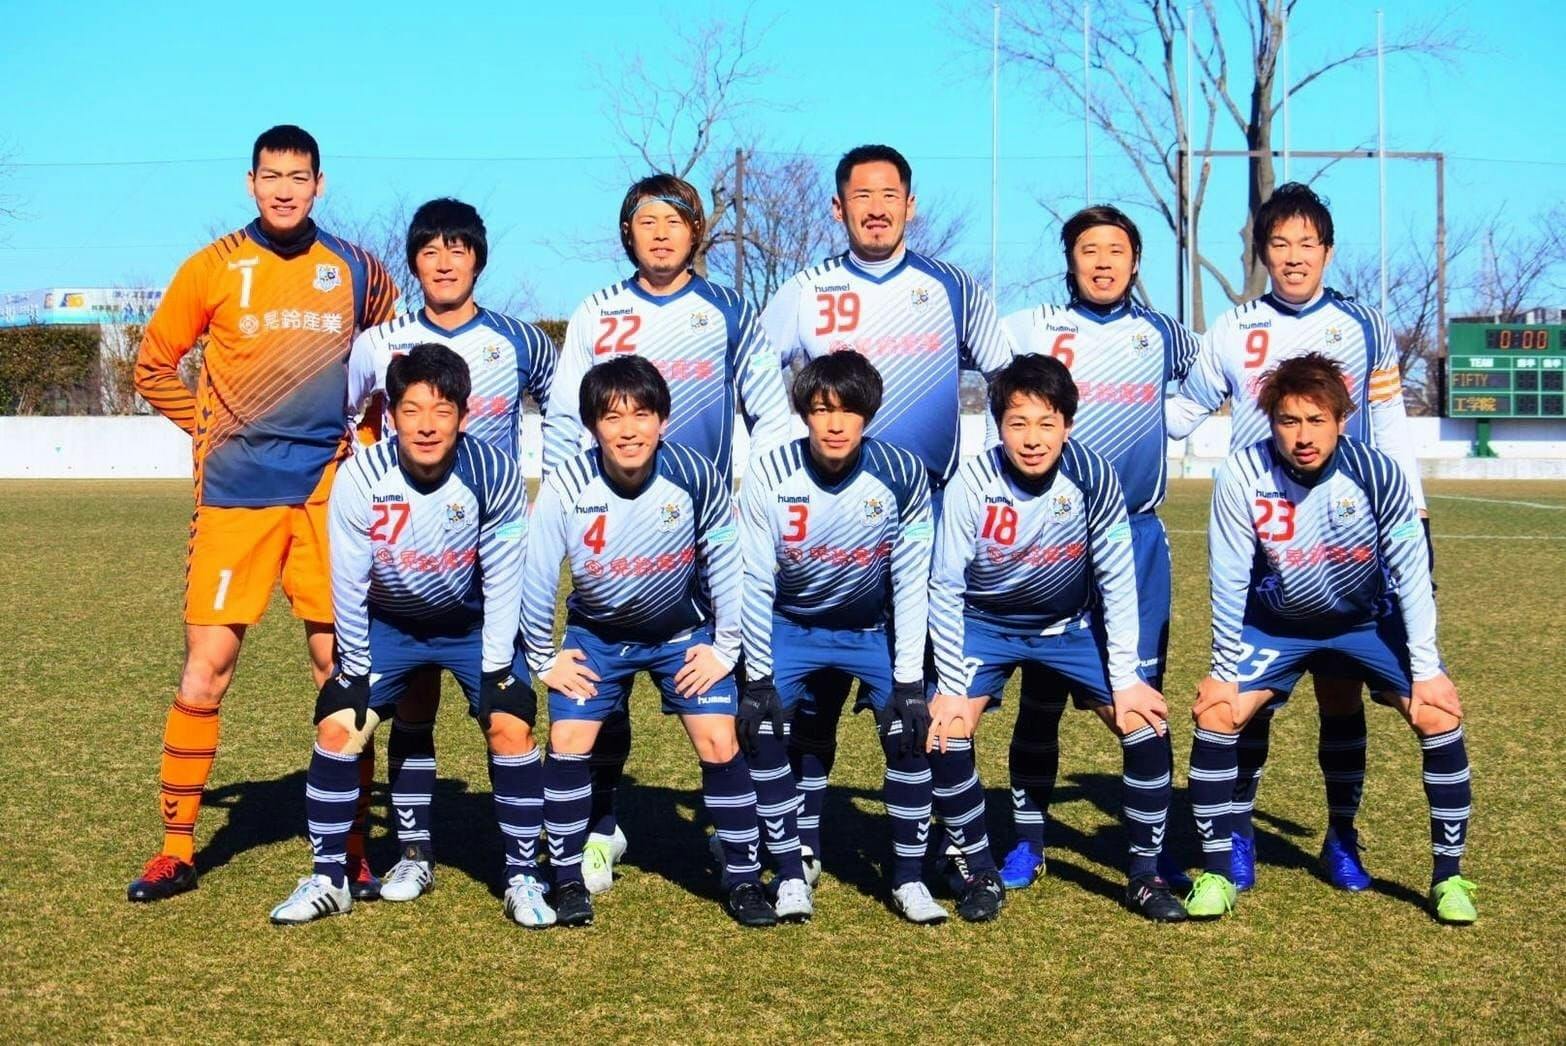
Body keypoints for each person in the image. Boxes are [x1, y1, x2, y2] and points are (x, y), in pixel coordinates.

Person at [128, 125, 397, 902]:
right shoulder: (212, 267)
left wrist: (367, 445)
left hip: (328, 499)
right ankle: (176, 850)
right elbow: (153, 365)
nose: (284, 189)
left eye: (298, 176)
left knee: (340, 672)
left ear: (320, 184)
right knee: (205, 671)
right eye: (271, 176)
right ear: (251, 183)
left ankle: (351, 849)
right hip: (234, 500)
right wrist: (212, 430)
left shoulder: (359, 270)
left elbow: (391, 364)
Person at [759, 144, 1017, 881]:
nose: (876, 209)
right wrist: (784, 459)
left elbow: (1007, 379)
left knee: (928, 689)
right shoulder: (805, 289)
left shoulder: (952, 287)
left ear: (911, 204)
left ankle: (944, 839)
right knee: (815, 691)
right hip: (827, 516)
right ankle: (802, 839)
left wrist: (991, 478)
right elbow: (756, 373)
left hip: (926, 515)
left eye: (889, 195)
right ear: (837, 208)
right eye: (861, 196)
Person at [1167, 182, 1430, 893]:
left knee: (1341, 692)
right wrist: (1104, 397)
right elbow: (1181, 413)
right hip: (1263, 536)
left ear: (1327, 252)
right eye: (1278, 244)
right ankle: (1237, 831)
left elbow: (1390, 426)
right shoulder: (1233, 327)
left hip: (1347, 538)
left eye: (1306, 244)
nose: (1292, 257)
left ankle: (1342, 835)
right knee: (1250, 696)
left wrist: (1416, 517)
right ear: (1262, 252)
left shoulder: (1365, 325)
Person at [539, 174, 793, 894]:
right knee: (601, 686)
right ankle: (600, 827)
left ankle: (729, 829)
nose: (659, 233)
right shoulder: (599, 309)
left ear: (695, 232)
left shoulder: (729, 309)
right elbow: (565, 418)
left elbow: (771, 417)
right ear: (628, 233)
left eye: (673, 221)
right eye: (646, 221)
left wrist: (758, 507)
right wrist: (572, 499)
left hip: (700, 531)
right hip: (613, 530)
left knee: (722, 681)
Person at [1183, 353, 1474, 924]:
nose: (1303, 436)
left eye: (1317, 420)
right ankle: (1221, 863)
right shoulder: (1242, 473)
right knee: (1219, 712)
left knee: (1437, 714)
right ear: (1270, 421)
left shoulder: (1378, 472)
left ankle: (1440, 873)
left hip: (1365, 621)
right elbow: (1229, 576)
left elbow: (1412, 572)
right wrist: (1222, 671)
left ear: (1343, 419)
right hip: (1277, 621)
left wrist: (1427, 670)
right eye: (1289, 420)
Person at [268, 344, 551, 927]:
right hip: (392, 624)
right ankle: (336, 877)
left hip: (473, 623)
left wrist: (498, 669)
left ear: (464, 416)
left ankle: (523, 875)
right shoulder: (361, 476)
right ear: (391, 415)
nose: (426, 425)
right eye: (412, 409)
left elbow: (505, 577)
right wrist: (353, 668)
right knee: (339, 725)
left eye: (442, 410)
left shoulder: (495, 472)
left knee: (510, 723)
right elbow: (349, 580)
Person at [345, 197, 556, 901]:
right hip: (406, 564)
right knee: (412, 709)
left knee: (508, 713)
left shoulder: (521, 342)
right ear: (413, 262)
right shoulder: (380, 343)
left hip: (489, 565)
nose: (443, 262)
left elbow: (565, 411)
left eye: (457, 249)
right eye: (429, 250)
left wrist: (552, 494)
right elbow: (349, 418)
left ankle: (523, 869)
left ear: (478, 259)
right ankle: (413, 854)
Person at [927, 354, 1184, 923]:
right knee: (945, 730)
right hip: (985, 624)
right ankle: (978, 869)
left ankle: (1145, 875)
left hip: (1069, 627)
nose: (1032, 439)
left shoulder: (1094, 476)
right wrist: (949, 687)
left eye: (1046, 423)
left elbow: (1117, 580)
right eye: (1018, 423)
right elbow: (944, 585)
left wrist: (1127, 678)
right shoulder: (973, 480)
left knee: (1145, 724)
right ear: (998, 426)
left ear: (1067, 424)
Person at [522, 355, 775, 928]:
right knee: (568, 739)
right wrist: (544, 658)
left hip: (679, 636)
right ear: (593, 426)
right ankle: (566, 879)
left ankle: (742, 877)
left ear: (663, 419)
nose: (628, 430)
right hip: (597, 637)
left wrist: (724, 649)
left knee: (719, 740)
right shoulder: (566, 484)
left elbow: (727, 565)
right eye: (612, 417)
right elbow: (536, 573)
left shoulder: (696, 475)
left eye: (641, 414)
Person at [1000, 204, 1198, 891]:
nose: (1103, 261)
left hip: (1135, 539)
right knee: (1041, 697)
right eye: (1089, 249)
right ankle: (1027, 840)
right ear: (1071, 261)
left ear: (1135, 262)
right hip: (1053, 538)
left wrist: (1172, 420)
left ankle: (1150, 849)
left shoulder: (1164, 334)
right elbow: (969, 354)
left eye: (1116, 249)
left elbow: (1219, 376)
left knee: (1141, 701)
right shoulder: (1034, 327)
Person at [737, 351, 947, 924]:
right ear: (804, 412)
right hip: (791, 626)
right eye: (822, 409)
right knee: (760, 727)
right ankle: (789, 873)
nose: (835, 423)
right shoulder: (770, 472)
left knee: (911, 731)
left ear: (868, 414)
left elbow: (911, 580)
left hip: (870, 631)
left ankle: (909, 879)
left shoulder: (902, 473)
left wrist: (909, 680)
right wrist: (758, 676)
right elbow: (755, 578)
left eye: (849, 410)